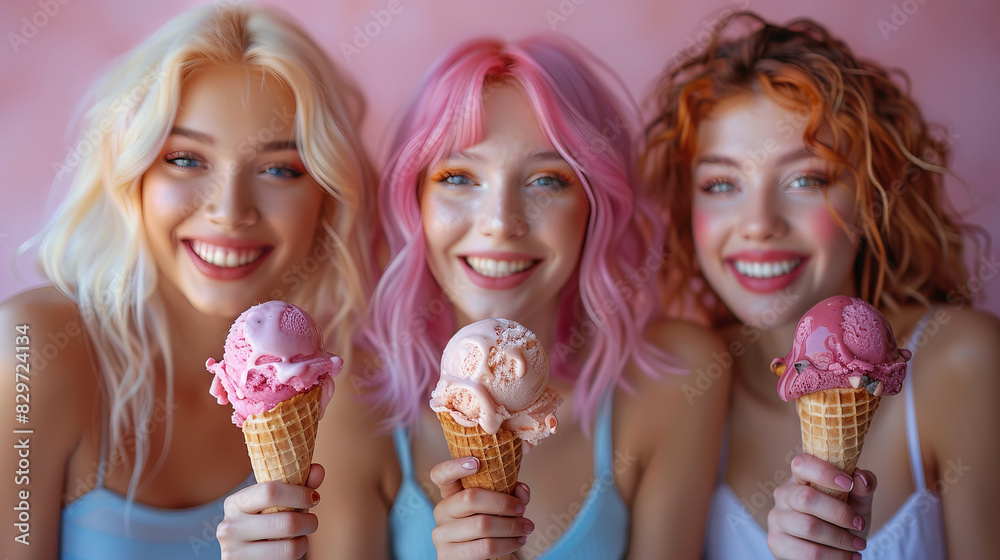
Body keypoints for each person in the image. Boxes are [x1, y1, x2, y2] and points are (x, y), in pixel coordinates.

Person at [0, 4, 378, 558]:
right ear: (134, 177)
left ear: (325, 194)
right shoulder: (31, 351)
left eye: (279, 169)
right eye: (185, 159)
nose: (229, 211)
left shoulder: (346, 385)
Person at [643, 10, 1000, 560]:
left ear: (871, 194)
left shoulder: (963, 362)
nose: (759, 222)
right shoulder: (682, 385)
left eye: (805, 179)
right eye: (721, 184)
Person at [366, 37, 728, 559]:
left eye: (545, 180)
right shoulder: (353, 392)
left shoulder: (678, 377)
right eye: (459, 177)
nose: (500, 224)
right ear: (414, 199)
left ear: (595, 205)